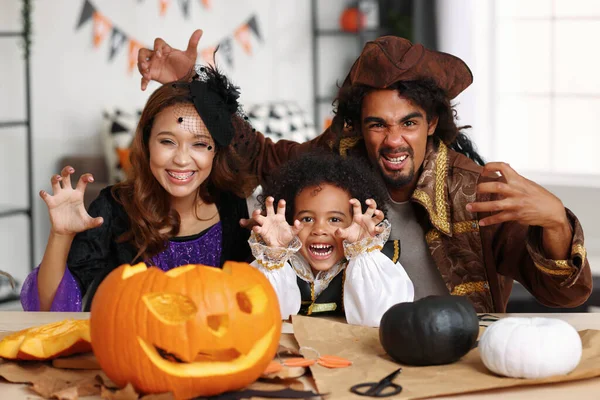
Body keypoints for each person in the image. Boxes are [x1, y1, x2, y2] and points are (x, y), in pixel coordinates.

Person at [138, 33, 592, 313]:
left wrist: (555, 222)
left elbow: (564, 297)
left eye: (409, 123)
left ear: (432, 123)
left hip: (452, 358)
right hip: (352, 353)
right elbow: (261, 156)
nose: (393, 140)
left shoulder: (473, 191)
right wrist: (193, 87)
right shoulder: (340, 157)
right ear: (359, 127)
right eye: (379, 124)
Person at [21, 64, 259, 312]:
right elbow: (48, 310)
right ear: (146, 143)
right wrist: (60, 235)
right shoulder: (112, 209)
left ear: (216, 152)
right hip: (129, 345)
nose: (181, 159)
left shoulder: (236, 208)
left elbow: (254, 303)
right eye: (167, 141)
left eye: (199, 144)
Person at [247, 152, 413, 327]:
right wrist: (274, 254)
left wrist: (362, 252)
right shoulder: (275, 264)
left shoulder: (372, 266)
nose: (319, 230)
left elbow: (379, 318)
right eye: (307, 219)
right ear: (289, 220)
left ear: (355, 222)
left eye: (334, 220)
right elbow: (262, 317)